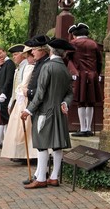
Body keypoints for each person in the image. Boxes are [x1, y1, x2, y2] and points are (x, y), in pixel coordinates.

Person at [21, 38, 74, 189]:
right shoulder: (65, 69)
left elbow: (40, 93)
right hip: (59, 112)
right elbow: (70, 93)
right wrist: (64, 103)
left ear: (50, 50)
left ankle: (42, 178)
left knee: (42, 144)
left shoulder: (47, 66)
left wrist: (28, 110)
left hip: (44, 112)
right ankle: (54, 177)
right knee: (57, 145)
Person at [1, 45, 38, 161]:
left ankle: (26, 154)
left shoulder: (29, 67)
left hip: (25, 98)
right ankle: (19, 153)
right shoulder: (19, 68)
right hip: (19, 98)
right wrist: (11, 101)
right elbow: (15, 87)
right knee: (18, 129)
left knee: (23, 129)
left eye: (16, 54)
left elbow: (24, 84)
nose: (14, 57)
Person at [67, 23, 103, 137]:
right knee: (90, 102)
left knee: (81, 102)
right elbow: (99, 61)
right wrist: (97, 73)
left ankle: (83, 128)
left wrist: (73, 72)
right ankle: (88, 128)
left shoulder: (73, 44)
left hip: (80, 75)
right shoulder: (94, 44)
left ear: (74, 34)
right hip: (93, 75)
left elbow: (67, 58)